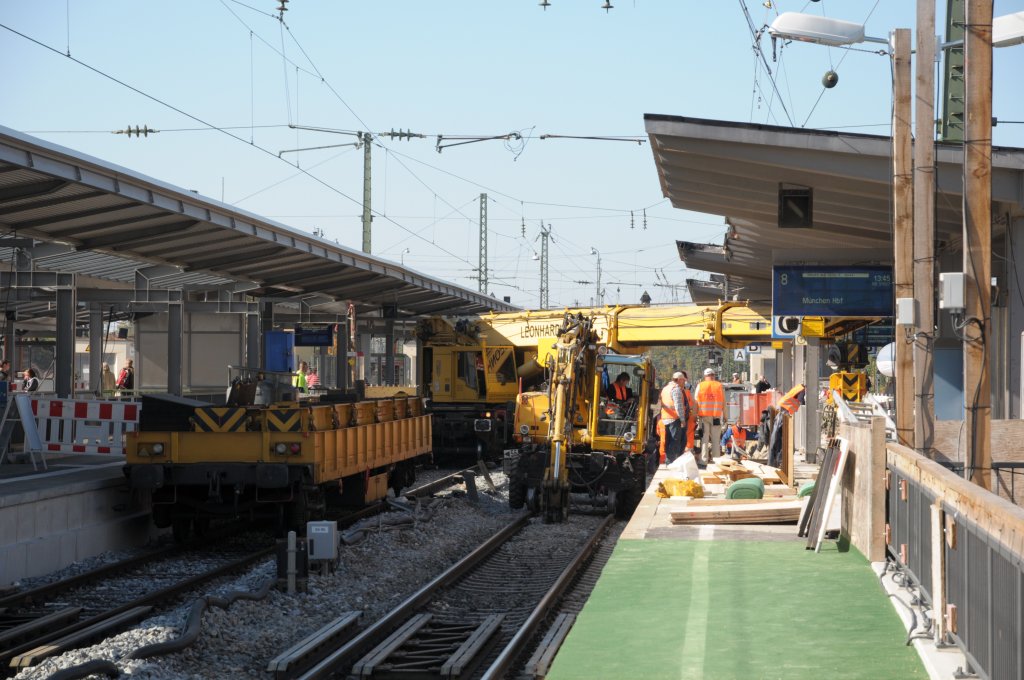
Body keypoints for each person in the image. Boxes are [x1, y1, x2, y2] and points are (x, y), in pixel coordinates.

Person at [693, 367, 724, 463]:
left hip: (704, 417)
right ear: (713, 375)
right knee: (715, 440)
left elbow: (695, 402)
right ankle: (716, 461)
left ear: (705, 376)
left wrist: (694, 416)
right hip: (716, 417)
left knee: (704, 439)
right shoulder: (719, 386)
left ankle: (703, 460)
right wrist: (726, 416)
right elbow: (723, 402)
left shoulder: (700, 386)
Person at [659, 371, 689, 464]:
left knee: (668, 440)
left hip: (665, 418)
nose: (684, 382)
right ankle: (672, 461)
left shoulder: (665, 388)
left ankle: (669, 460)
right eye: (683, 380)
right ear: (679, 380)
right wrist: (682, 419)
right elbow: (678, 406)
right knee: (675, 441)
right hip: (674, 418)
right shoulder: (676, 389)